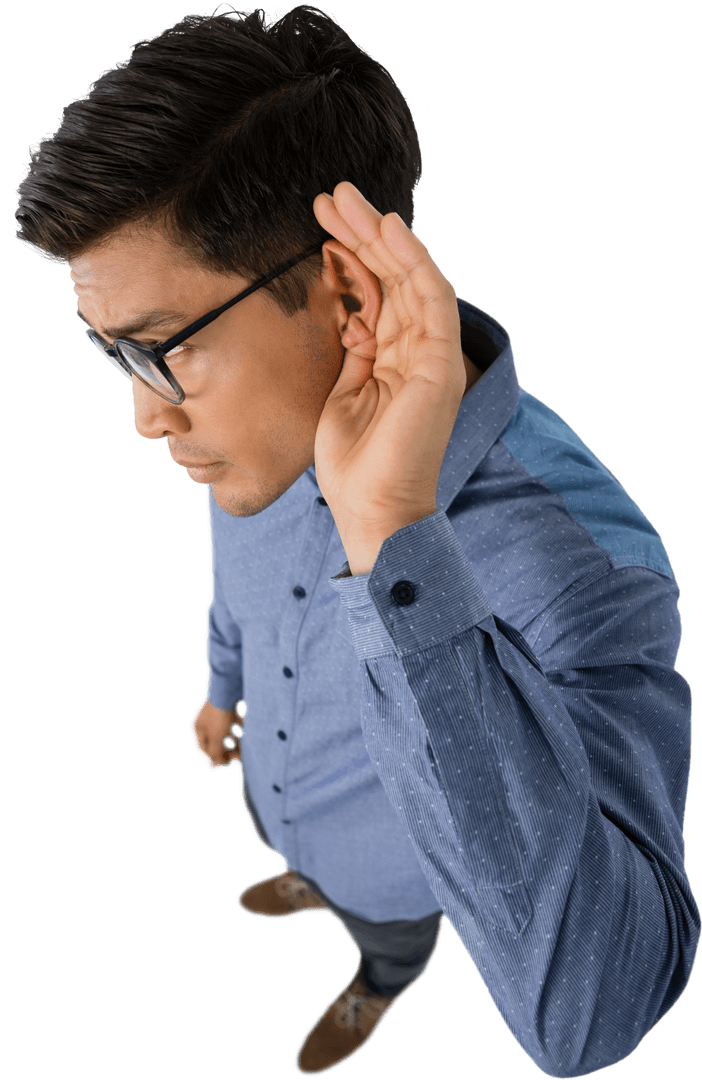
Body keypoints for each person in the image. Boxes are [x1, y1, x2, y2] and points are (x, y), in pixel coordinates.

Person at [14, 5, 699, 1077]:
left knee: (385, 928)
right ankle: (305, 872)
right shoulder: (256, 436)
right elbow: (234, 580)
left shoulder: (587, 573)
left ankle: (380, 976)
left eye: (159, 354)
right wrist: (221, 683)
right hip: (283, 799)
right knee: (304, 856)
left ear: (342, 288)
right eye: (114, 356)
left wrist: (392, 536)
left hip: (399, 881)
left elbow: (593, 1015)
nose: (147, 419)